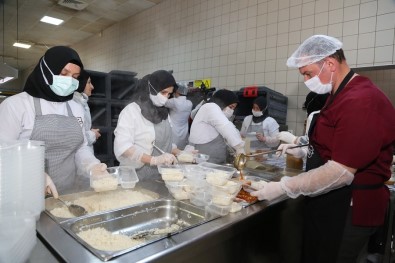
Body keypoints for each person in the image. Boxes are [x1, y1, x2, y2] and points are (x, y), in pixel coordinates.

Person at [250, 35, 395, 263]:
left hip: (349, 208)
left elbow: (340, 172)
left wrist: (283, 187)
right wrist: (302, 150)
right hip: (330, 202)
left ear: (329, 63)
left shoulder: (360, 100)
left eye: (308, 73)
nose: (307, 80)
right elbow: (331, 144)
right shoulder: (336, 95)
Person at [0, 46, 107, 198]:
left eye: (75, 77)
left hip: (67, 194)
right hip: (24, 195)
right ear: (46, 71)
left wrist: (92, 165)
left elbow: (80, 148)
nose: (69, 80)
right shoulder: (16, 106)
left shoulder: (76, 108)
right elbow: (3, 154)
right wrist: (33, 174)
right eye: (64, 73)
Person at [114, 70, 180, 181]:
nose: (165, 97)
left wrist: (180, 152)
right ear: (151, 88)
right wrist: (153, 160)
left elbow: (164, 141)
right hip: (134, 176)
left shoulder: (163, 113)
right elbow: (123, 147)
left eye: (169, 94)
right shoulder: (131, 111)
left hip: (158, 177)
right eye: (163, 92)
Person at [188, 89, 245, 164]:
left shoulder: (216, 112)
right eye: (231, 107)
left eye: (233, 109)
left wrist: (237, 140)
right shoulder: (210, 107)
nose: (231, 111)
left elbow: (228, 128)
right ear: (223, 102)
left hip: (214, 162)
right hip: (206, 161)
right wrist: (239, 147)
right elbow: (226, 127)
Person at [73, 70, 101, 153]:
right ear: (81, 83)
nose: (92, 87)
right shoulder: (75, 104)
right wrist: (92, 134)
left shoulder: (81, 101)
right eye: (89, 82)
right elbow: (75, 139)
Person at [165, 83, 193, 149]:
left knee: (172, 150)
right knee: (181, 151)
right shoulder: (189, 103)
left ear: (177, 91)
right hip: (184, 132)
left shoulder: (174, 101)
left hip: (173, 131)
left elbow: (162, 102)